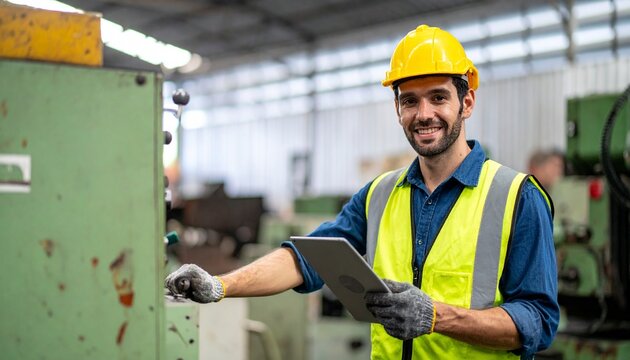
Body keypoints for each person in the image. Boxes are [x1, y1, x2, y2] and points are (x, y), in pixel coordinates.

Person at [166, 24, 559, 359]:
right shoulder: (380, 194)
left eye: (439, 97)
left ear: (466, 102)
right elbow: (306, 258)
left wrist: (436, 316)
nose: (424, 114)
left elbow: (538, 321)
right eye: (410, 101)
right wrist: (221, 285)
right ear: (397, 109)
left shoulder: (516, 196)